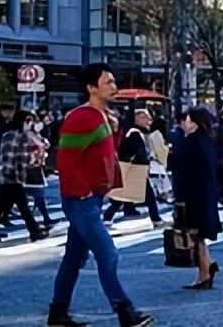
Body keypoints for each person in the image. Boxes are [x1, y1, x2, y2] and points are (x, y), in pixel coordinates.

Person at [47, 63, 152, 327]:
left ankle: (58, 313)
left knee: (74, 257)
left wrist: (115, 129)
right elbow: (67, 160)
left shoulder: (102, 116)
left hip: (92, 197)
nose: (114, 87)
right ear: (91, 88)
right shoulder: (81, 117)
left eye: (113, 81)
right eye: (108, 82)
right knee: (108, 254)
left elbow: (105, 153)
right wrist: (81, 192)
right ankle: (124, 310)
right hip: (82, 199)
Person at [172, 107, 222, 290]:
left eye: (186, 119)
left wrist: (179, 197)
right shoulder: (207, 140)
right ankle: (207, 265)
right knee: (199, 233)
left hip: (192, 193)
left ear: (193, 122)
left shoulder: (189, 143)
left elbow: (182, 172)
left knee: (195, 234)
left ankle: (204, 274)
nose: (183, 122)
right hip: (207, 191)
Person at [0, 109, 49, 243]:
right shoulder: (14, 135)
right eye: (27, 121)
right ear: (20, 121)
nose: (29, 124)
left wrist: (34, 133)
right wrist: (31, 160)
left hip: (12, 176)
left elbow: (45, 144)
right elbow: (18, 157)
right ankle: (34, 230)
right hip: (11, 175)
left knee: (0, 206)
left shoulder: (17, 134)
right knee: (22, 205)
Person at [103, 109, 163, 228]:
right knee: (127, 195)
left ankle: (108, 216)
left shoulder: (134, 132)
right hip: (134, 170)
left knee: (123, 195)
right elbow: (128, 153)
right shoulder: (135, 133)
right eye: (146, 118)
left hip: (136, 170)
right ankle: (156, 219)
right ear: (138, 119)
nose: (149, 121)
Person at [22, 111, 56, 228]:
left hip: (37, 167)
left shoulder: (36, 135)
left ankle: (40, 218)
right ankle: (42, 218)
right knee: (37, 194)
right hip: (29, 168)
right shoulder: (25, 135)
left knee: (38, 194)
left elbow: (46, 145)